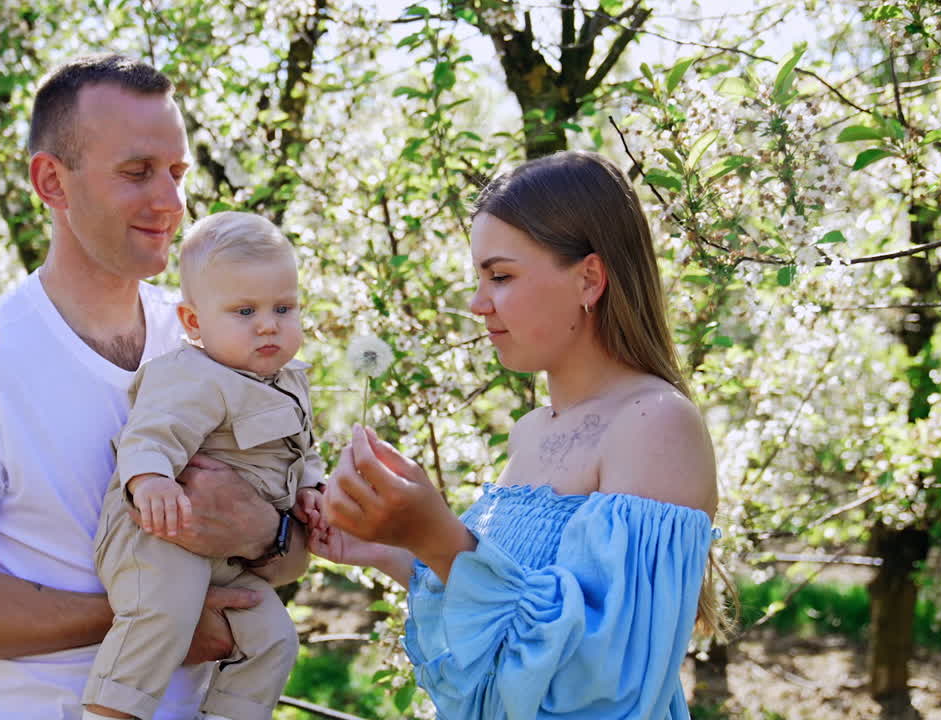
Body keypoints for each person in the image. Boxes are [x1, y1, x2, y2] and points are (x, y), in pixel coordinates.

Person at [0, 55, 307, 720]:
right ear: (52, 181)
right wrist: (152, 623)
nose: (170, 202)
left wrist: (267, 532)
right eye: (137, 173)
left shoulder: (218, 342)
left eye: (176, 173)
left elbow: (291, 553)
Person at [311, 150, 730, 719]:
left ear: (588, 278)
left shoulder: (655, 423)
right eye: (479, 277)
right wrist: (392, 547)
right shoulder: (530, 432)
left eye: (501, 276)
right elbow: (508, 629)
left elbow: (597, 681)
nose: (478, 304)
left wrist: (438, 537)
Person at [83, 211, 325, 720]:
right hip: (159, 532)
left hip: (229, 555)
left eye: (284, 308)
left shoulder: (289, 380)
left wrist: (312, 489)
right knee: (161, 613)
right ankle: (110, 712)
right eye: (244, 311)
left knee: (274, 637)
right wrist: (149, 481)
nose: (268, 324)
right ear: (194, 322)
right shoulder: (191, 374)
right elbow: (150, 433)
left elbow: (304, 451)